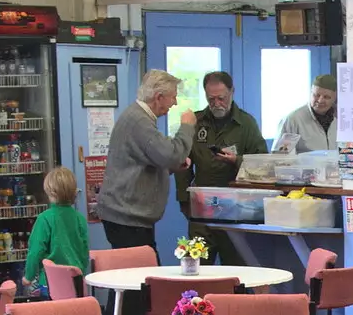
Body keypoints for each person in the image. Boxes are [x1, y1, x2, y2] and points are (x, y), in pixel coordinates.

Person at [98, 69, 196, 256]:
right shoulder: (139, 121)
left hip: (127, 217)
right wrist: (187, 126)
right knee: (141, 280)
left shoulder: (137, 118)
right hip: (127, 219)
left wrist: (171, 167)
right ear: (159, 97)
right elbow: (171, 155)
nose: (174, 103)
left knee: (134, 278)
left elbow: (148, 161)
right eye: (173, 97)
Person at [176, 71, 267, 265]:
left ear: (232, 92)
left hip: (236, 211)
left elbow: (262, 164)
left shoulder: (246, 124)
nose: (217, 103)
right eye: (212, 99)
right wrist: (184, 200)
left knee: (236, 272)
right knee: (195, 268)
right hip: (201, 210)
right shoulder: (196, 122)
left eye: (221, 98)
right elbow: (181, 163)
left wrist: (237, 160)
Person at [23, 167, 90, 296]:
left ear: (50, 193)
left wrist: (28, 276)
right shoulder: (80, 219)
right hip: (76, 282)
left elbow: (35, 251)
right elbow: (84, 252)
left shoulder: (44, 219)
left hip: (50, 282)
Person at [277, 73, 337, 153]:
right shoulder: (293, 120)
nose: (320, 100)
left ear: (334, 98)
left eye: (326, 97)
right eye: (316, 95)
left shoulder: (339, 121)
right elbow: (280, 156)